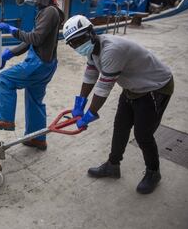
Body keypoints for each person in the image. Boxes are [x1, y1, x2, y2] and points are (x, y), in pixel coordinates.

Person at [63, 15, 174, 194]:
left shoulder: (112, 50)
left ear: (91, 33)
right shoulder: (93, 49)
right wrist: (79, 103)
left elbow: (103, 88)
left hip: (156, 86)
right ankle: (113, 166)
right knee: (120, 126)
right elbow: (90, 75)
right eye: (72, 44)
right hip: (133, 87)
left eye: (79, 40)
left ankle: (154, 172)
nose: (77, 46)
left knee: (143, 134)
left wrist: (89, 115)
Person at [0, 0, 64, 150]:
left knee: (5, 79)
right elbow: (31, 40)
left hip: (37, 65)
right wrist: (10, 54)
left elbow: (35, 39)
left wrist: (11, 29)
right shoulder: (45, 11)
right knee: (34, 100)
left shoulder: (50, 11)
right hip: (46, 65)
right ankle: (37, 138)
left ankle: (5, 119)